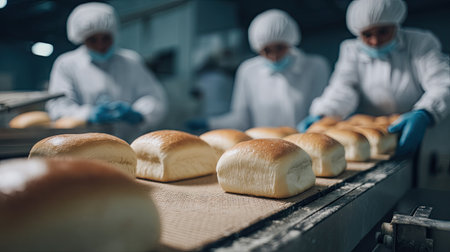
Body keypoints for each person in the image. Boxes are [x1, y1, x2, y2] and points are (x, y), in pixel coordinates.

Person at [298, 0, 450, 156]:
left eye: (383, 32)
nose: (375, 41)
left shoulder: (420, 43)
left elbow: (442, 82)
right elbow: (343, 88)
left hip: (422, 130)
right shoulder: (351, 50)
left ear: (395, 24)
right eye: (367, 34)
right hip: (375, 140)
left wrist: (426, 113)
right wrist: (324, 113)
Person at [186, 9, 330, 131]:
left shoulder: (315, 66)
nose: (274, 56)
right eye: (267, 50)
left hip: (304, 147)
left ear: (291, 41)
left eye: (280, 47)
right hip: (264, 151)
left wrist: (320, 118)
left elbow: (325, 111)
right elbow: (241, 121)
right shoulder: (248, 71)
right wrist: (210, 123)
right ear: (257, 49)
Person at [46, 2, 168, 141]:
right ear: (82, 39)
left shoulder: (131, 61)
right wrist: (88, 114)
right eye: (93, 40)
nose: (101, 45)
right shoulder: (66, 64)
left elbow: (153, 97)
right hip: (83, 146)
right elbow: (58, 108)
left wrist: (139, 113)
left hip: (129, 144)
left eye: (106, 38)